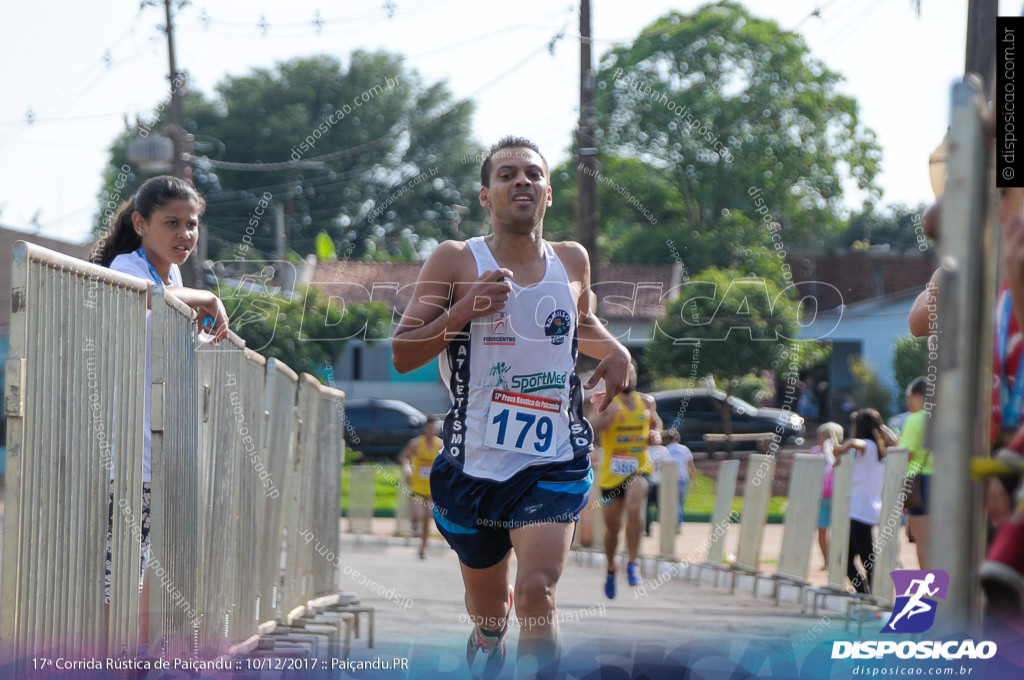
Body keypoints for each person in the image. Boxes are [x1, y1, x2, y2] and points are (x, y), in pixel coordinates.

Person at [390, 137, 631, 678]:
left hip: (553, 459)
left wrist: (615, 350)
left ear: (547, 194)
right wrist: (465, 309)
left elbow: (577, 321)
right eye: (506, 175)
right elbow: (404, 353)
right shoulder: (456, 259)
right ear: (486, 195)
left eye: (532, 174)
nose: (521, 181)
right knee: (494, 610)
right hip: (473, 462)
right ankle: (488, 635)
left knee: (537, 595)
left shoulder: (572, 259)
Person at [89, 175, 229, 641]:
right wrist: (208, 298)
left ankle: (141, 659)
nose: (185, 234)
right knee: (120, 569)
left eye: (192, 224)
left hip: (160, 444)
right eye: (172, 223)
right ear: (140, 223)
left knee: (152, 562)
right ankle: (114, 664)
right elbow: (148, 302)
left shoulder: (172, 274)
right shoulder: (128, 268)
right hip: (125, 444)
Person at [589, 364, 661, 599]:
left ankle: (632, 562)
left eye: (631, 372)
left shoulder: (647, 402)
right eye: (623, 373)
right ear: (615, 378)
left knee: (634, 506)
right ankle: (611, 568)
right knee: (612, 530)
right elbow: (590, 430)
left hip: (638, 467)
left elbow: (655, 424)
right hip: (612, 474)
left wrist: (656, 434)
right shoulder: (607, 403)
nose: (628, 377)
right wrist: (603, 420)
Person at [833, 409, 888, 595]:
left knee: (866, 558)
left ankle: (873, 596)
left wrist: (841, 448)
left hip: (860, 510)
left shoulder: (869, 446)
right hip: (863, 509)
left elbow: (856, 443)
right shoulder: (878, 451)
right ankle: (864, 594)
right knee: (848, 558)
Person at [899, 377, 932, 570]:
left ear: (918, 396)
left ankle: (931, 594)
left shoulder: (915, 419)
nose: (908, 402)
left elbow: (906, 453)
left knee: (923, 540)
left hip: (921, 481)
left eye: (908, 397)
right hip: (945, 479)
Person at [398, 417, 442, 560]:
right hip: (416, 487)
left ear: (437, 429)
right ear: (425, 429)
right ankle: (414, 521)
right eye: (428, 428)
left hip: (432, 488)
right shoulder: (416, 443)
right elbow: (403, 457)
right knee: (419, 515)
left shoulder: (440, 446)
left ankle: (423, 548)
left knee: (427, 519)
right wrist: (407, 470)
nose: (431, 431)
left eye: (433, 428)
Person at [811, 422, 843, 569]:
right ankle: (827, 561)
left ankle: (838, 561)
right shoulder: (815, 452)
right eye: (824, 436)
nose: (825, 439)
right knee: (822, 529)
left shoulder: (843, 453)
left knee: (839, 530)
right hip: (821, 497)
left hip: (839, 497)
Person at [662, 428, 697, 533]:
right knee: (679, 503)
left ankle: (671, 524)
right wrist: (693, 480)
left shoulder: (665, 449)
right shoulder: (684, 449)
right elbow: (691, 465)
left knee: (670, 503)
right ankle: (678, 524)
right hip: (682, 479)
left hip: (669, 479)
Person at [644, 430, 670, 537]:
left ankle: (649, 530)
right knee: (660, 507)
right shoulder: (662, 450)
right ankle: (665, 530)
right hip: (656, 481)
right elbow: (668, 466)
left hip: (652, 481)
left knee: (647, 507)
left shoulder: (645, 450)